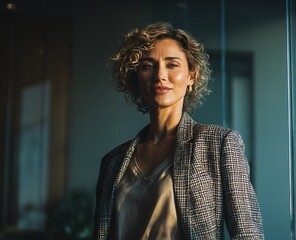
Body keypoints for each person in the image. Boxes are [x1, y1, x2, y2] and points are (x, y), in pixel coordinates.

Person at [93, 22, 264, 240]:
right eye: (147, 66)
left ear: (191, 75)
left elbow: (247, 233)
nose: (160, 75)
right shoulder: (112, 162)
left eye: (172, 65)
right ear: (136, 77)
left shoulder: (219, 143)